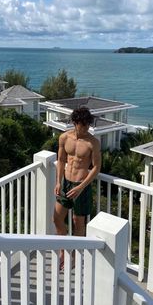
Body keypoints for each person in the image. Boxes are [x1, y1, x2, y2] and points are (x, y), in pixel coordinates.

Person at [53, 107, 101, 269]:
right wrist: (58, 182)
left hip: (82, 186)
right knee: (57, 218)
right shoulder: (64, 138)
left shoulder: (93, 142)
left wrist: (81, 187)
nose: (87, 127)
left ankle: (72, 254)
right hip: (66, 183)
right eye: (84, 124)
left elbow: (96, 168)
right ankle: (62, 251)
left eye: (88, 124)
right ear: (75, 123)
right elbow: (60, 160)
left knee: (78, 223)